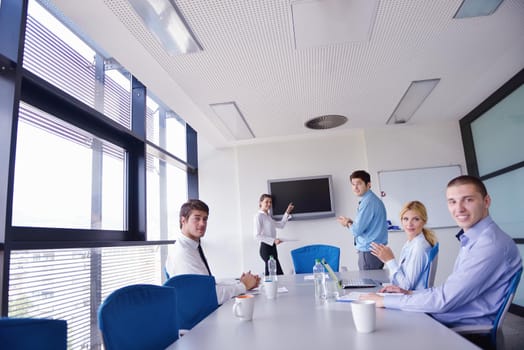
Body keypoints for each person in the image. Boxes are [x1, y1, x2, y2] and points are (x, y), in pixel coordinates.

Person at [361, 175, 522, 327]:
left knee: (379, 324)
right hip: (448, 315)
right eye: (452, 201)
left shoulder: (489, 245)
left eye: (468, 200)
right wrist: (409, 293)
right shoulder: (474, 238)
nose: (459, 208)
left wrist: (384, 301)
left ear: (486, 201)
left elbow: (444, 299)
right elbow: (448, 291)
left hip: (461, 328)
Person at [165, 199, 260, 305]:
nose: (202, 223)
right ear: (183, 221)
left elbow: (208, 285)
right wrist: (243, 286)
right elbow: (208, 295)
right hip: (200, 318)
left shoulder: (192, 247)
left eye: (205, 219)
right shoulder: (183, 254)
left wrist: (240, 283)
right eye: (197, 218)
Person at [370, 201, 438, 290]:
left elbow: (406, 287)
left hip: (413, 299)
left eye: (416, 219)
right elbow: (402, 279)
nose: (409, 224)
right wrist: (386, 260)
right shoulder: (410, 243)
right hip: (408, 296)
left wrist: (390, 260)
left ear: (424, 221)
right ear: (401, 221)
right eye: (406, 219)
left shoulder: (419, 247)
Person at [337, 170, 388, 270]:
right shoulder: (371, 199)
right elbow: (365, 226)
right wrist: (351, 223)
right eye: (353, 184)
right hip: (374, 251)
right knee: (374, 284)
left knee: (368, 285)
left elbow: (356, 231)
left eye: (359, 184)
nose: (355, 187)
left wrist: (347, 223)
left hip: (369, 252)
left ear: (368, 185)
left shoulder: (368, 202)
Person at [254, 194, 294, 276]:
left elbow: (281, 225)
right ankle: (270, 288)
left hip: (272, 248)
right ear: (260, 202)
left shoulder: (268, 217)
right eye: (266, 202)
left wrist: (287, 212)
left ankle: (277, 288)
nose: (269, 204)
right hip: (266, 248)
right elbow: (257, 235)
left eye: (270, 202)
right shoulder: (258, 216)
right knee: (273, 274)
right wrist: (273, 240)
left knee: (277, 274)